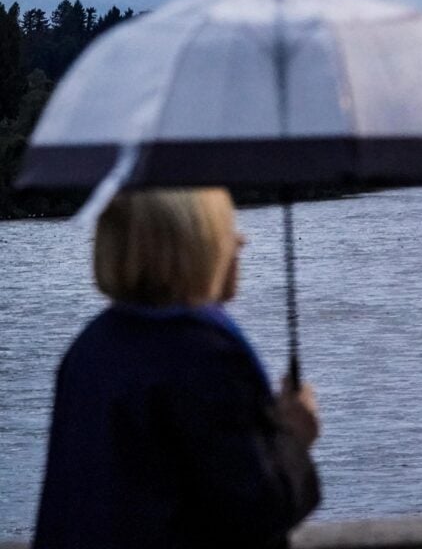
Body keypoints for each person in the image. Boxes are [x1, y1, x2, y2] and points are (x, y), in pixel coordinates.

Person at [33, 188, 321, 548]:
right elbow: (257, 509)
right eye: (224, 228)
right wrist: (293, 436)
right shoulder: (203, 357)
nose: (241, 240)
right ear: (194, 246)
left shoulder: (90, 349)